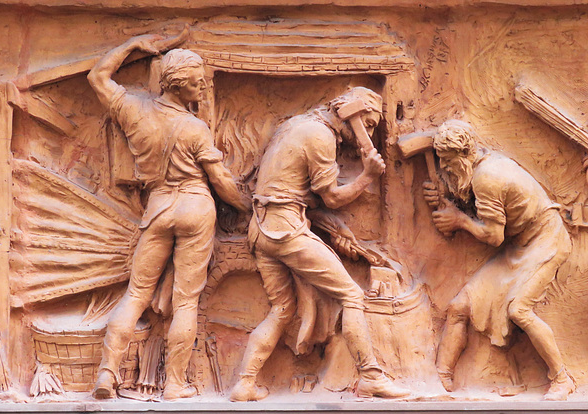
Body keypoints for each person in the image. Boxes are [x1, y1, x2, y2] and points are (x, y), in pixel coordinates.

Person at [87, 34, 250, 400]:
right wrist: (249, 206)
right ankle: (175, 384)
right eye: (197, 83)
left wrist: (133, 45)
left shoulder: (133, 110)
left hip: (158, 207)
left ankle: (107, 373)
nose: (203, 89)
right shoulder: (196, 128)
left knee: (136, 294)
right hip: (195, 207)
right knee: (186, 302)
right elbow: (222, 183)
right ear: (178, 84)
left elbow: (98, 76)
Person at [229, 87, 410, 402]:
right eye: (366, 124)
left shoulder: (298, 124)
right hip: (284, 230)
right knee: (352, 295)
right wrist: (367, 176)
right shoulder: (320, 136)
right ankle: (370, 377)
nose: (366, 133)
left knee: (282, 309)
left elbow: (300, 192)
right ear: (348, 113)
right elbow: (331, 197)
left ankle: (244, 383)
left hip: (262, 229)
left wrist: (331, 226)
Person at [423, 120, 574, 401]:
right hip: (520, 247)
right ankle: (440, 379)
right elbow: (480, 203)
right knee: (459, 307)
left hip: (546, 242)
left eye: (447, 161)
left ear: (465, 154)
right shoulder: (480, 165)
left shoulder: (488, 177)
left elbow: (493, 236)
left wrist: (459, 220)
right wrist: (447, 198)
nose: (443, 168)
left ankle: (562, 379)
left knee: (519, 310)